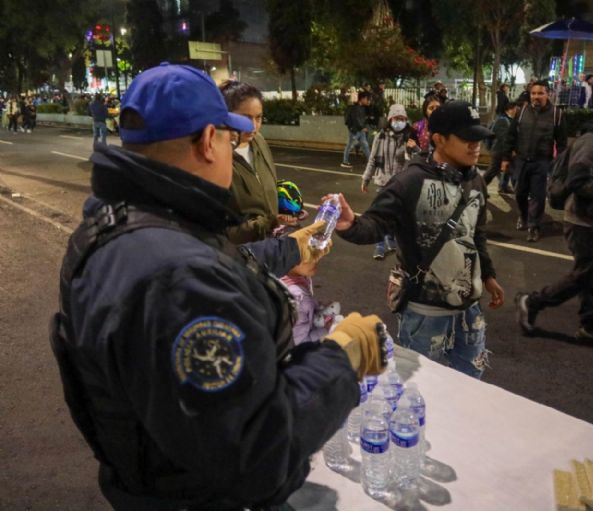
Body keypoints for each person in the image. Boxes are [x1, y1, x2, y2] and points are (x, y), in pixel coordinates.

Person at [49, 63, 385, 511]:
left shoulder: (120, 224)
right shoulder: (177, 280)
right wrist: (341, 360)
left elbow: (215, 258)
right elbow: (259, 458)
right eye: (231, 138)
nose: (235, 147)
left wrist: (293, 248)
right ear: (210, 141)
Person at [332, 100, 505, 379]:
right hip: (425, 315)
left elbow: (477, 235)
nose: (476, 146)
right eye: (467, 138)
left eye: (479, 139)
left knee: (471, 389)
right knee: (423, 390)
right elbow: (376, 224)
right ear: (439, 139)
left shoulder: (476, 181)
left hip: (470, 312)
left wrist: (488, 276)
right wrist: (350, 224)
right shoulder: (409, 181)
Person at [515, 89, 593, 347]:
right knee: (584, 275)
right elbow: (579, 182)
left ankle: (591, 325)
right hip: (583, 220)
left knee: (592, 275)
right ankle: (532, 302)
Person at [219, 80, 293, 243]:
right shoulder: (215, 154)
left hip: (271, 245)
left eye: (258, 118)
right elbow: (215, 233)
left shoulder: (259, 141)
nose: (253, 126)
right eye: (245, 118)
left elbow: (262, 188)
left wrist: (285, 209)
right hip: (240, 257)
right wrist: (263, 225)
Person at [500, 80, 568, 242]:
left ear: (548, 94)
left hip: (542, 162)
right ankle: (523, 216)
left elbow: (562, 143)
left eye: (540, 93)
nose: (536, 97)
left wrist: (560, 166)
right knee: (520, 194)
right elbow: (510, 136)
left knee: (538, 196)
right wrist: (505, 158)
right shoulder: (521, 111)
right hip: (521, 161)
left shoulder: (557, 115)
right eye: (533, 93)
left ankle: (534, 226)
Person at [361, 103, 414, 260]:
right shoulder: (381, 136)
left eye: (402, 118)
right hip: (383, 182)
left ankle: (390, 240)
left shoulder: (408, 138)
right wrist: (366, 179)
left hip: (400, 183)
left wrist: (412, 149)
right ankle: (380, 245)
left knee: (396, 216)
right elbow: (372, 160)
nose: (399, 121)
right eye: (396, 118)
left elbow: (413, 162)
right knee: (381, 216)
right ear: (390, 119)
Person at [483, 100, 522, 193]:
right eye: (517, 109)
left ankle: (504, 187)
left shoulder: (510, 120)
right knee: (492, 171)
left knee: (509, 170)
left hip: (504, 150)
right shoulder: (502, 120)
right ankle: (479, 188)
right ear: (510, 110)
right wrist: (511, 149)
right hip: (499, 150)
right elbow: (504, 137)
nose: (518, 111)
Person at [341, 90, 372, 168]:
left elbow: (362, 119)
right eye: (367, 99)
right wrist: (362, 128)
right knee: (350, 145)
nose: (368, 101)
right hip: (355, 130)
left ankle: (370, 162)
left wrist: (363, 127)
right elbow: (356, 119)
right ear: (362, 98)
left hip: (360, 130)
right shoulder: (355, 107)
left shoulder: (362, 107)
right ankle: (345, 162)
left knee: (365, 145)